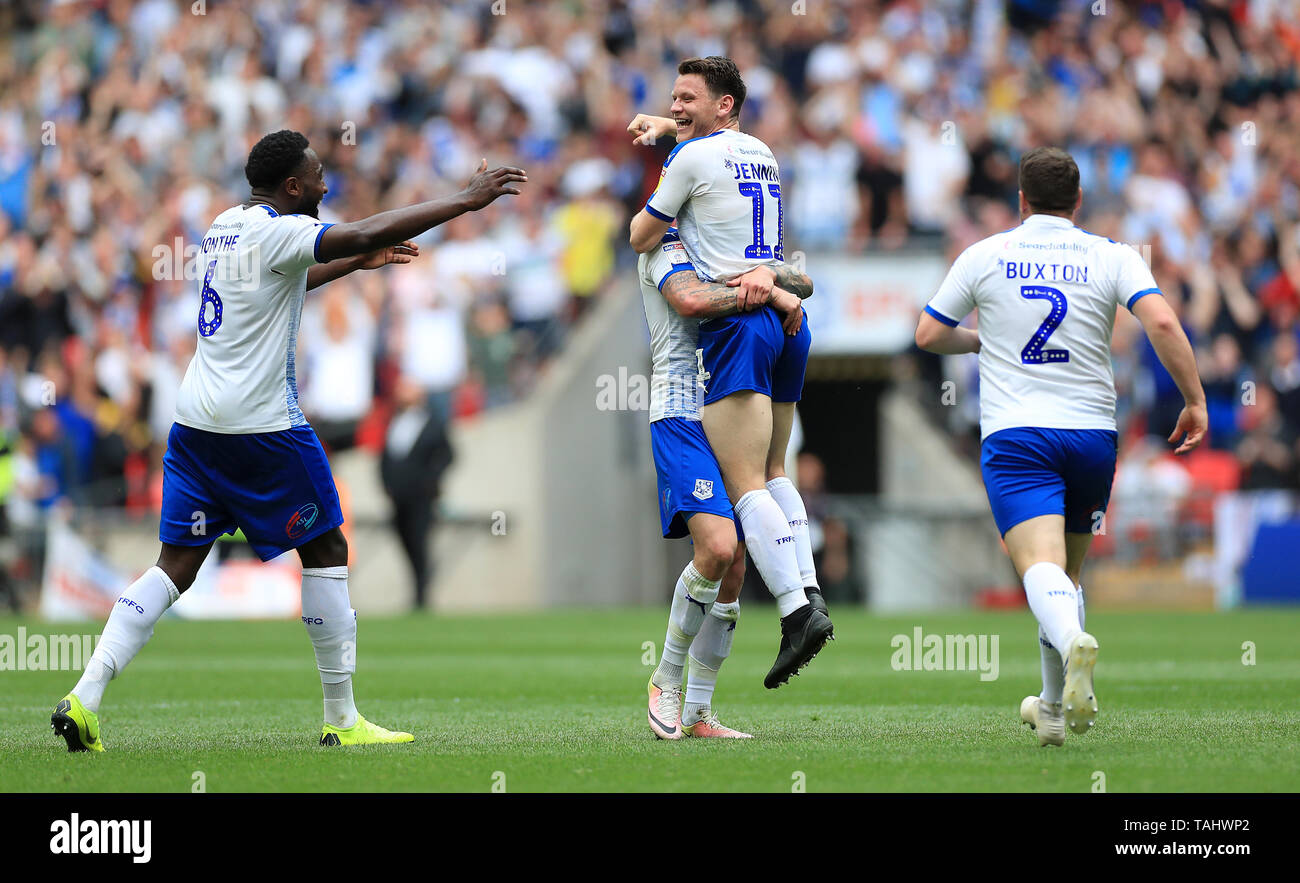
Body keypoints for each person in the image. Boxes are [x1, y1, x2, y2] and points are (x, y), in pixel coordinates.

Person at [51, 130, 525, 752]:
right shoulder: (278, 230)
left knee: (174, 566)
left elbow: (278, 285)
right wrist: (464, 201)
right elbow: (357, 230)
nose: (328, 186)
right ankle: (342, 718)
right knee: (327, 545)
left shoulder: (227, 225)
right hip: (262, 427)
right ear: (293, 186)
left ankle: (84, 697)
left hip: (196, 425)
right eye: (320, 175)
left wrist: (355, 264)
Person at [914, 146, 1207, 746]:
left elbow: (928, 333)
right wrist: (1195, 400)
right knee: (1066, 576)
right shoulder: (1111, 255)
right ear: (1078, 202)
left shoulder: (986, 254)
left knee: (1039, 569)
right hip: (1093, 436)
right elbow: (1164, 324)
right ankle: (1050, 710)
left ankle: (1074, 642)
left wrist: (981, 343)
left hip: (1018, 434)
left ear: (1021, 200)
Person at [628, 57, 832, 690]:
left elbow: (640, 234)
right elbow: (794, 272)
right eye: (673, 96)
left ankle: (797, 611)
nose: (676, 106)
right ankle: (812, 592)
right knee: (775, 473)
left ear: (725, 105)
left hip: (736, 334)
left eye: (689, 97)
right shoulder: (762, 152)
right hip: (787, 322)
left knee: (747, 487)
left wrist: (668, 157)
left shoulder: (684, 179)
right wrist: (772, 284)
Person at [639, 226, 812, 739]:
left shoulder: (729, 241)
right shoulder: (664, 240)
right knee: (717, 547)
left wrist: (771, 275)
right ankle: (665, 677)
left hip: (728, 399)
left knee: (734, 566)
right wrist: (769, 288)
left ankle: (697, 712)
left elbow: (803, 280)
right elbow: (690, 298)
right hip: (681, 410)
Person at [380, 376, 454, 609]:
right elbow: (385, 458)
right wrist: (386, 484)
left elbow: (448, 454)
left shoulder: (433, 423)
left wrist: (430, 480)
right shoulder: (393, 421)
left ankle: (422, 596)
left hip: (421, 497)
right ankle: (418, 590)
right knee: (406, 541)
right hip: (398, 497)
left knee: (420, 542)